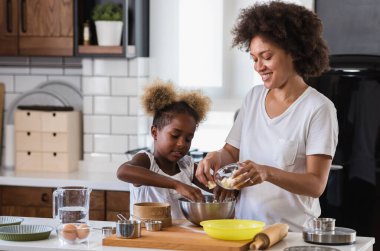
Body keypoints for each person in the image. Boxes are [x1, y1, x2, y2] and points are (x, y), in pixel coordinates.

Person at [195, 1, 339, 231]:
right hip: (244, 230)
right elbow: (232, 152)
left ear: (293, 52)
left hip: (292, 236)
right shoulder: (253, 98)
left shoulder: (318, 109)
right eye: (254, 58)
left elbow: (316, 184)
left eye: (266, 56)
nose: (258, 66)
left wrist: (266, 172)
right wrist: (215, 157)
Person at [117, 79, 212, 219]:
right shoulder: (147, 161)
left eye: (188, 139)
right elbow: (123, 172)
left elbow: (215, 186)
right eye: (175, 136)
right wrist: (176, 185)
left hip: (177, 238)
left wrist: (227, 184)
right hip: (146, 238)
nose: (181, 144)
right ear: (155, 133)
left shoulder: (187, 166)